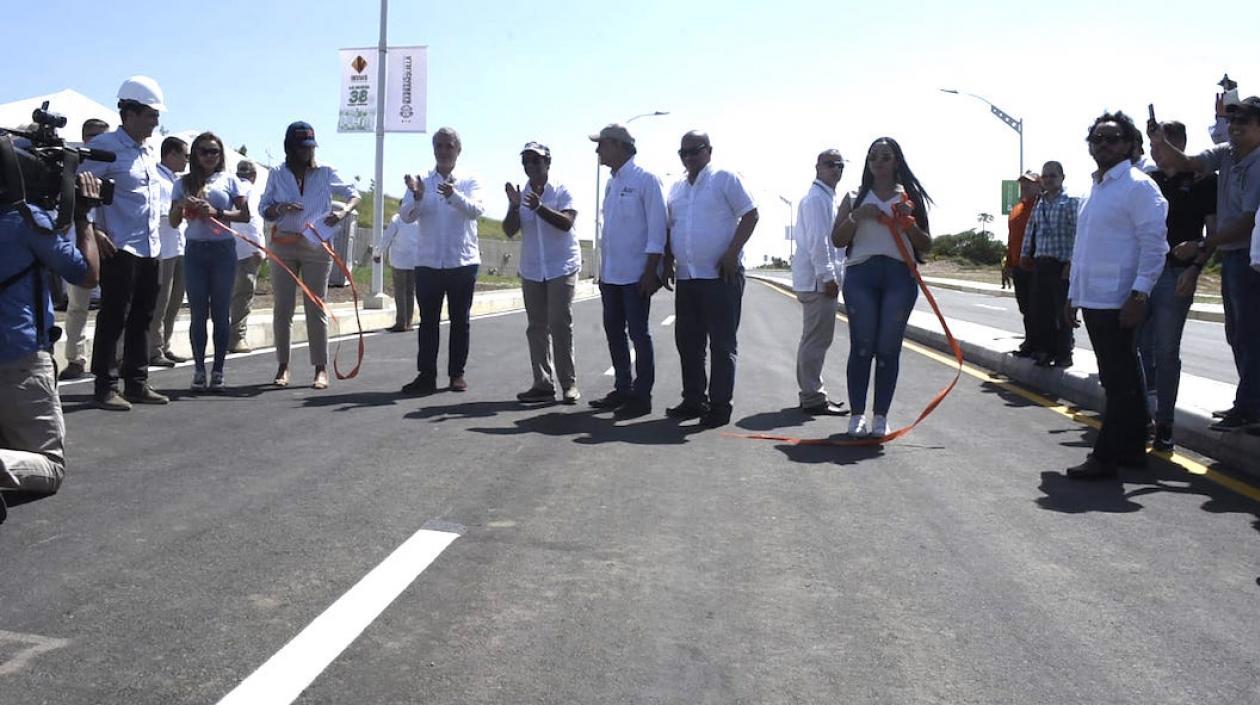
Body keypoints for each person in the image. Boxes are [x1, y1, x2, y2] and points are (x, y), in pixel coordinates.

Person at [1064, 112, 1168, 480]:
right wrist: (1073, 295)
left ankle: (1105, 457)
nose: (1103, 145)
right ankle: (1131, 451)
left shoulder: (1139, 186)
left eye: (1112, 138)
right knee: (1122, 378)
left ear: (1128, 144)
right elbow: (1085, 248)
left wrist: (1139, 296)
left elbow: (1154, 247)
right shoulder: (1096, 188)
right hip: (1093, 298)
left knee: (1118, 383)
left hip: (1119, 300)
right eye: (1097, 139)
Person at [1148, 95, 1260, 432]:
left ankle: (1251, 406)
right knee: (1238, 334)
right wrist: (1160, 141)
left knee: (1251, 334)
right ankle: (1249, 402)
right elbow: (1188, 162)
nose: (1236, 127)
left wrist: (1202, 244)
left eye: (1244, 122)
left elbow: (1248, 221)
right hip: (1233, 256)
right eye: (1232, 121)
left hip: (1250, 257)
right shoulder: (1226, 153)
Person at [0, 163, 101, 523]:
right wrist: (84, 218)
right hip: (19, 359)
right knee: (49, 467)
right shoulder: (26, 221)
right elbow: (86, 275)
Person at [830, 137, 933, 438]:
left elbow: (926, 243)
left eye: (885, 156)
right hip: (861, 274)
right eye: (873, 156)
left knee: (888, 348)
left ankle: (880, 417)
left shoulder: (909, 197)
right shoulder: (854, 196)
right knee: (862, 346)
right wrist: (855, 216)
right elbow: (837, 239)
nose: (878, 161)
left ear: (896, 161)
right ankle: (857, 415)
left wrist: (909, 225)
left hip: (899, 277)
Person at [81, 76, 170, 411]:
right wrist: (93, 230)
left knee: (143, 316)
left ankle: (137, 382)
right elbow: (80, 188)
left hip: (150, 247)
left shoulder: (148, 151)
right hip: (118, 247)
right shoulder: (105, 147)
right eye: (150, 113)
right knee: (114, 315)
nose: (156, 120)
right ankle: (104, 385)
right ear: (129, 113)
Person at [663, 131, 759, 428]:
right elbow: (672, 227)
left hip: (721, 276)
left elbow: (751, 215)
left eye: (696, 151)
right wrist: (668, 260)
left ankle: (719, 406)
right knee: (688, 343)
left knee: (721, 344)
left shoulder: (724, 179)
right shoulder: (677, 188)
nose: (690, 157)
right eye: (684, 153)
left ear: (709, 151)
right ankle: (694, 399)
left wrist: (732, 253)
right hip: (688, 277)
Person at [259, 121, 360, 390]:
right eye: (301, 148)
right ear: (289, 147)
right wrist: (280, 208)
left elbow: (354, 195)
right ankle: (283, 366)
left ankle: (320, 368)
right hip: (283, 244)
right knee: (283, 308)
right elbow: (263, 208)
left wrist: (342, 212)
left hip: (316, 245)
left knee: (316, 306)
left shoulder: (325, 172)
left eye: (310, 147)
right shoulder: (277, 173)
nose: (306, 153)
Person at [1138, 121, 1217, 451]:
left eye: (1159, 143)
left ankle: (1165, 425)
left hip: (1176, 275)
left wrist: (1197, 257)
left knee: (1166, 351)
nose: (1154, 149)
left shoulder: (1204, 182)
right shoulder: (1147, 183)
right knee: (1141, 349)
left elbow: (1214, 233)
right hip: (1144, 275)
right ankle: (1142, 417)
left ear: (1178, 144)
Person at [587, 123, 667, 418]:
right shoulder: (612, 182)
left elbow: (657, 229)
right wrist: (602, 272)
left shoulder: (646, 180)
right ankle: (623, 388)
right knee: (614, 333)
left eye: (602, 144)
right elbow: (611, 232)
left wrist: (651, 272)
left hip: (636, 275)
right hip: (611, 276)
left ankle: (641, 395)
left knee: (639, 334)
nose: (598, 150)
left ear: (619, 146)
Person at [398, 127, 485, 396]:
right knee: (428, 322)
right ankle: (426, 375)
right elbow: (406, 216)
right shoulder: (421, 180)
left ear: (458, 150)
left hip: (463, 261)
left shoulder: (470, 180)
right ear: (433, 149)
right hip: (428, 263)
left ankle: (456, 374)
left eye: (449, 146)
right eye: (439, 145)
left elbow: (476, 211)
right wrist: (417, 196)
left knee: (461, 320)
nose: (444, 150)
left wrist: (453, 194)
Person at [503, 141, 582, 405]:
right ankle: (542, 383)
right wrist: (515, 207)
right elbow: (509, 230)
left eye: (536, 161)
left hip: (561, 266)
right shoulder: (522, 193)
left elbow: (566, 223)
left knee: (559, 323)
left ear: (548, 163)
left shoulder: (561, 190)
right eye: (526, 161)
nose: (531, 166)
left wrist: (538, 207)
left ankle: (569, 384)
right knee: (536, 327)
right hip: (533, 270)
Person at [169, 132, 249, 391]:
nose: (209, 156)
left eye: (214, 151)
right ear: (195, 154)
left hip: (223, 250)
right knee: (198, 312)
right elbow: (172, 222)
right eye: (204, 151)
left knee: (220, 311)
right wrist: (182, 206)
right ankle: (199, 369)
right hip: (195, 250)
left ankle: (218, 370)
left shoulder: (230, 180)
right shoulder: (182, 183)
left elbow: (244, 215)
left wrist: (216, 212)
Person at [791, 149, 848, 415]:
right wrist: (828, 277)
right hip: (818, 282)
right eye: (829, 164)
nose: (835, 169)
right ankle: (812, 397)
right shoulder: (816, 199)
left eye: (839, 165)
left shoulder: (827, 198)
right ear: (817, 167)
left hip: (818, 280)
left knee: (814, 339)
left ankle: (812, 393)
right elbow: (818, 242)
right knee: (816, 340)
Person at [58, 117, 110, 381]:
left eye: (101, 136)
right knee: (77, 305)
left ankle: (113, 357)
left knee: (113, 306)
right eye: (91, 135)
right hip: (81, 242)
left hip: (112, 245)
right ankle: (75, 359)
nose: (95, 140)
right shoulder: (72, 166)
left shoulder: (115, 164)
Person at [1019, 160, 1079, 368]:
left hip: (1061, 265)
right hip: (1041, 263)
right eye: (1045, 176)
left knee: (1062, 312)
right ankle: (1045, 351)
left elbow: (1079, 235)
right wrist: (1025, 253)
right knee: (1040, 310)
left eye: (1053, 175)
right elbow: (1031, 229)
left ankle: (1064, 353)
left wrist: (1072, 263)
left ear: (1062, 177)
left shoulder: (1071, 201)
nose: (1048, 180)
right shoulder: (1040, 202)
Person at [147, 136, 189, 368]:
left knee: (175, 301)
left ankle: (165, 344)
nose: (187, 161)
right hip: (164, 248)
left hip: (179, 245)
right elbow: (161, 212)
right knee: (160, 302)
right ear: (171, 154)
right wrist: (181, 206)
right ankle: (153, 349)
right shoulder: (158, 178)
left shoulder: (177, 180)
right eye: (184, 155)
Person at [1002, 171, 1041, 357]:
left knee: (1037, 308)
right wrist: (1009, 263)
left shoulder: (1042, 206)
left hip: (1036, 266)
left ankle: (1041, 345)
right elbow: (1012, 239)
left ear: (1039, 185)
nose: (1025, 186)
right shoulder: (1016, 209)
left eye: (1030, 183)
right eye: (1022, 183)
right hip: (1018, 266)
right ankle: (1030, 342)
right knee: (1025, 307)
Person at [228, 159, 265, 353]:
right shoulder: (251, 191)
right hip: (245, 248)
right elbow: (252, 220)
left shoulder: (231, 188)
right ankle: (237, 337)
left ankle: (226, 336)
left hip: (228, 247)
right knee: (243, 295)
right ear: (254, 176)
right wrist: (257, 247)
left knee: (228, 294)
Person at [373, 213, 419, 332]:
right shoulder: (419, 219)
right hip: (415, 261)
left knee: (400, 292)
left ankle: (401, 322)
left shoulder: (397, 219)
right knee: (410, 292)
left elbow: (387, 237)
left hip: (399, 261)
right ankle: (408, 322)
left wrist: (378, 253)